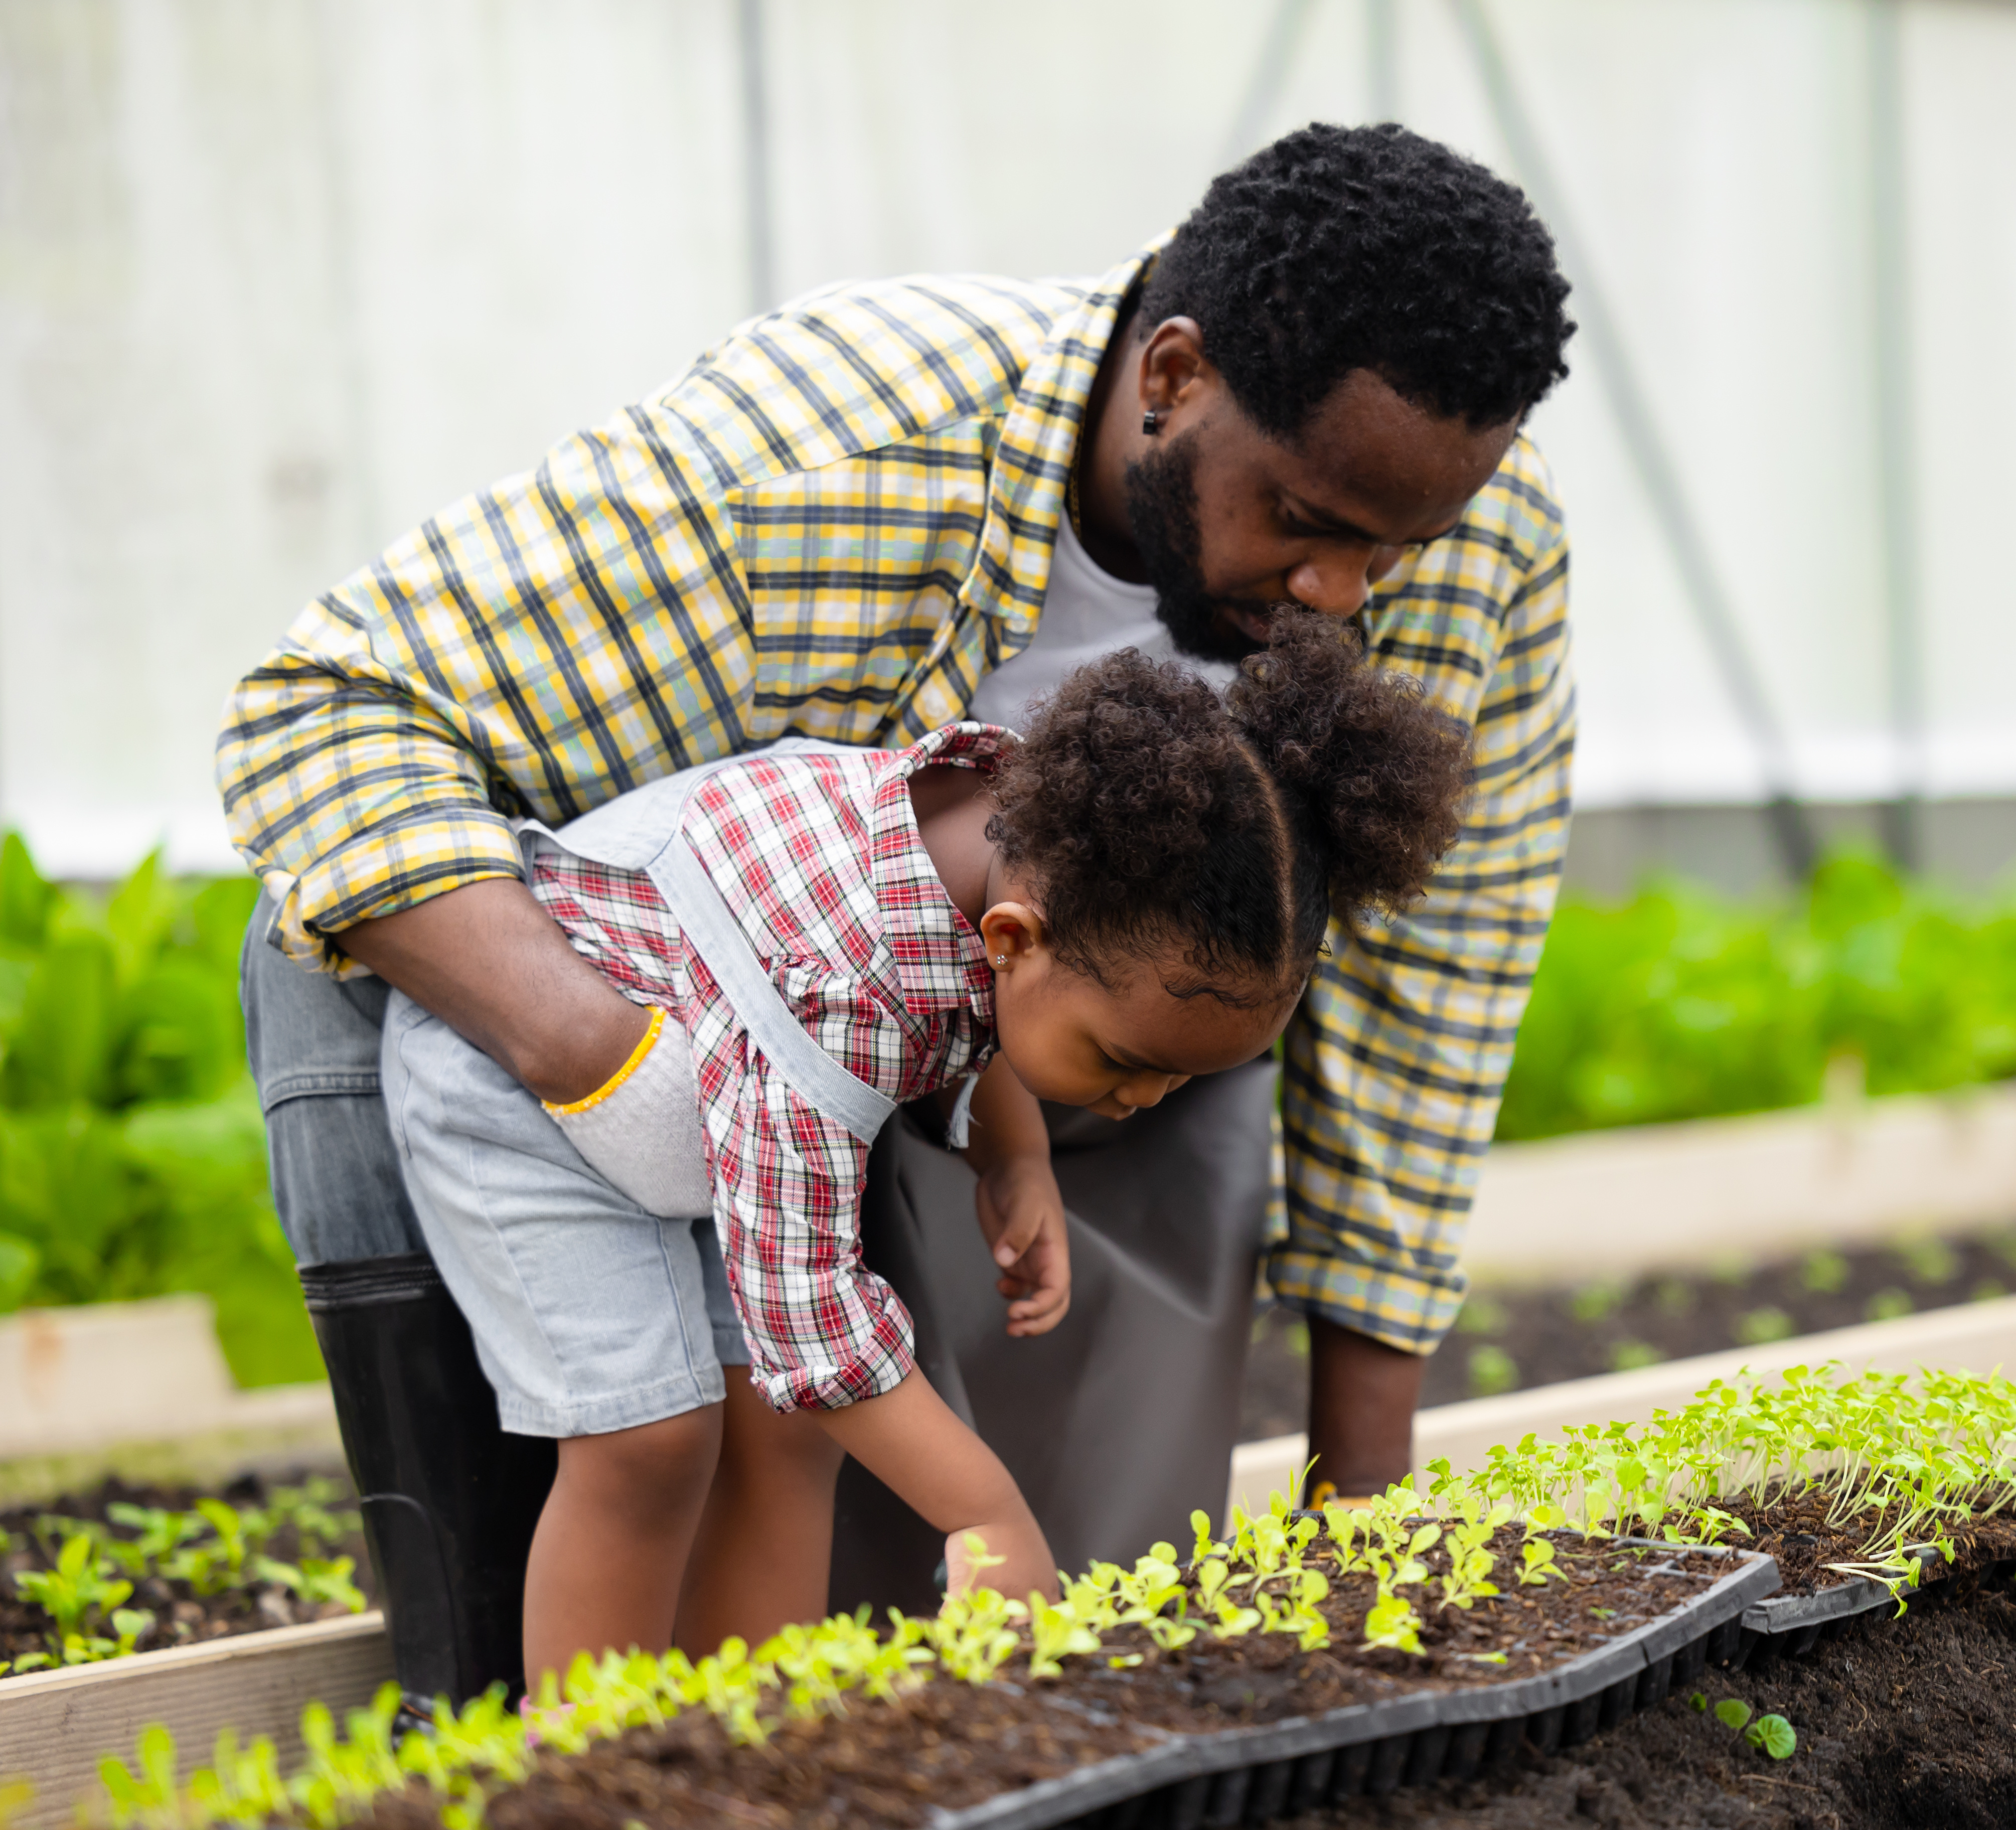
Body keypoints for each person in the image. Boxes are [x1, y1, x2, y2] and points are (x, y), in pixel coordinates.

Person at [225, 120, 1576, 1707]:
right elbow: (318, 713)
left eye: (1391, 549)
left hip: (975, 1054)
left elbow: (1433, 989)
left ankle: (767, 1749)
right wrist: (605, 1057)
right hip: (650, 1030)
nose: (1349, 593)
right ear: (1176, 376)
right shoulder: (834, 448)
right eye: (1306, 520)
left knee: (1059, 1668)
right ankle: (548, 1748)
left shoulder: (1475, 529)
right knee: (628, 1457)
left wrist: (1362, 1515)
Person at [378, 623, 1467, 1681]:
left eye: (1183, 1082)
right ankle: (577, 1774)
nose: (1143, 1101)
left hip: (696, 1087)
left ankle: (747, 1751)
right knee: (648, 1438)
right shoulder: (844, 982)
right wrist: (982, 1508)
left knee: (783, 1428)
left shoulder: (1018, 837)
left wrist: (1015, 1156)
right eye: (1127, 1060)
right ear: (1016, 940)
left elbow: (970, 996)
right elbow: (810, 1310)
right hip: (521, 1097)